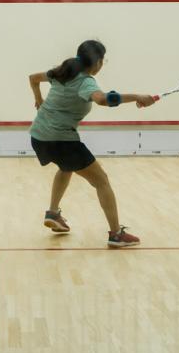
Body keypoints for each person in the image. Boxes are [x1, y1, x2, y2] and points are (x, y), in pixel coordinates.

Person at [28, 40, 157, 248]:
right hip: (61, 140)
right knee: (101, 180)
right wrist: (137, 96)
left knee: (66, 167)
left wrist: (39, 100)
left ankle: (52, 213)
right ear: (98, 62)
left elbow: (33, 78)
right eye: (102, 61)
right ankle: (116, 234)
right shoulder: (86, 82)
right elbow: (102, 99)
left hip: (38, 135)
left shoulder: (62, 71)